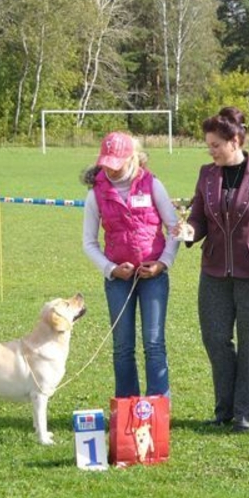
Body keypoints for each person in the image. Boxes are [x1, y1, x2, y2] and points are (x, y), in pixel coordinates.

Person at [182, 107, 249, 433]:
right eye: (209, 145)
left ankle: (246, 414)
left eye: (216, 145)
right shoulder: (207, 174)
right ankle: (224, 409)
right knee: (215, 339)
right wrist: (188, 231)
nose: (211, 150)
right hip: (214, 272)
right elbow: (199, 218)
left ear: (235, 141)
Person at [82, 131, 179, 399]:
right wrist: (111, 269)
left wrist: (162, 264)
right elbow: (88, 243)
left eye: (116, 164)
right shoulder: (95, 194)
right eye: (106, 164)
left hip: (154, 279)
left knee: (154, 343)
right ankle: (126, 408)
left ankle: (158, 407)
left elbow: (174, 228)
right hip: (118, 281)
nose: (110, 170)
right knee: (122, 346)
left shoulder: (153, 185)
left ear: (132, 158)